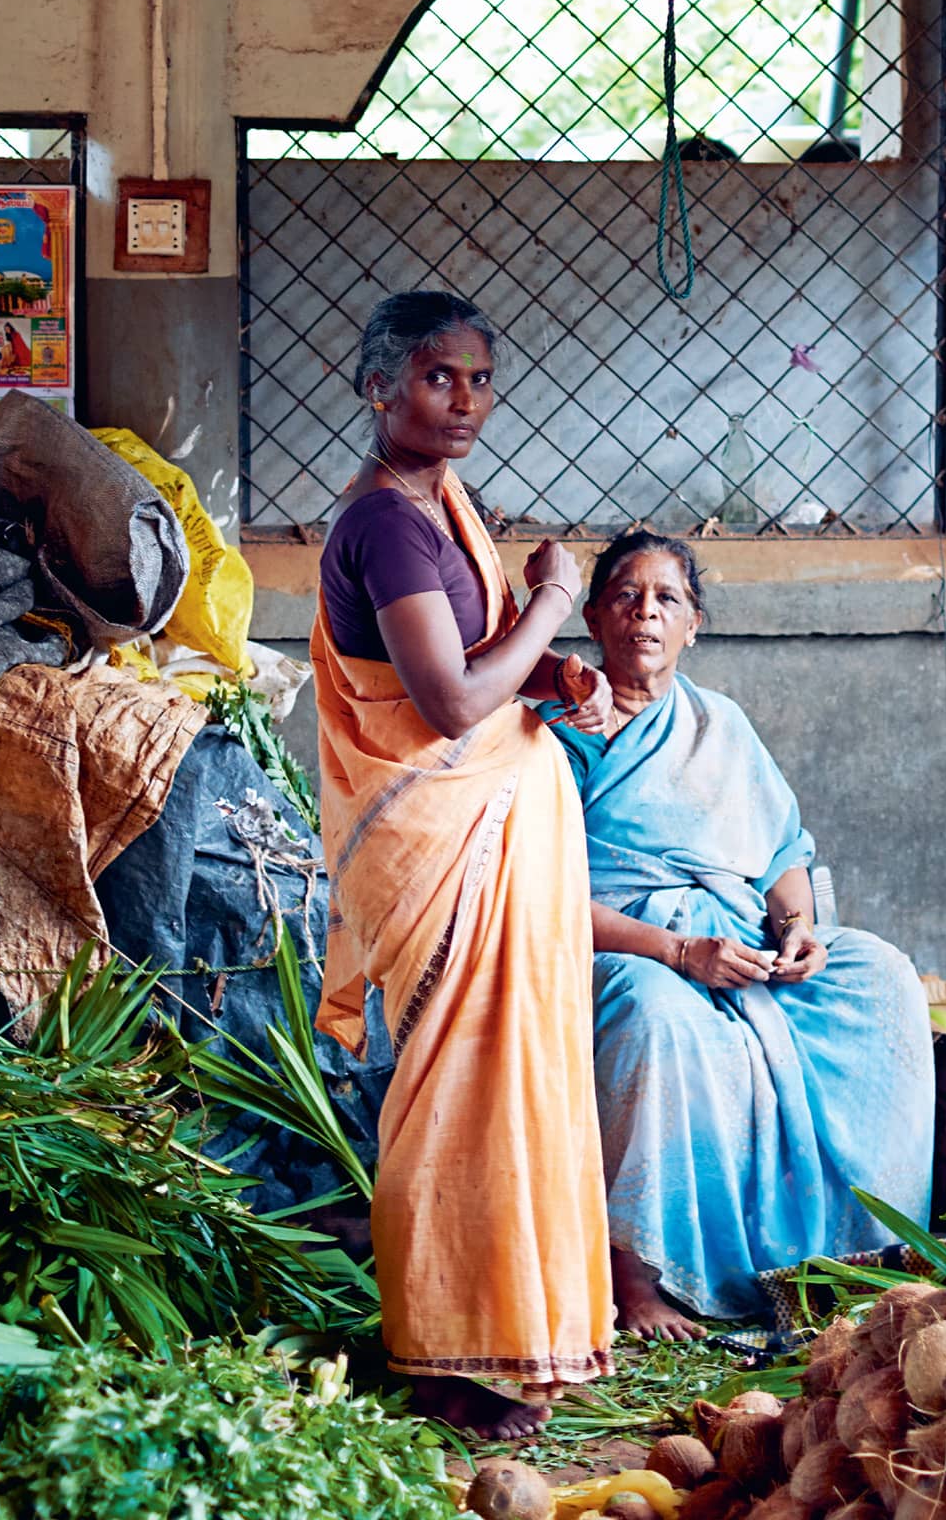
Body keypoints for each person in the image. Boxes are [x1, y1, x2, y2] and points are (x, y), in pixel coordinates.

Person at [311, 290, 615, 1435]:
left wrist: (550, 674)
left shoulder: (441, 504)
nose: (466, 400)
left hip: (498, 829)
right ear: (379, 386)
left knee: (509, 1083)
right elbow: (442, 705)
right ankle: (434, 1349)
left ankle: (508, 1328)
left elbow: (475, 666)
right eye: (441, 378)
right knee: (453, 1091)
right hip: (440, 838)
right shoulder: (387, 522)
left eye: (480, 379)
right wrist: (551, 600)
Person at [542, 531, 935, 1339]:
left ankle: (865, 1249)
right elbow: (539, 891)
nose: (645, 613)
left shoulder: (719, 723)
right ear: (592, 617)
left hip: (739, 940)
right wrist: (680, 953)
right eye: (625, 596)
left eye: (667, 600)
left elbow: (783, 853)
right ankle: (639, 1280)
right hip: (621, 945)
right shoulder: (552, 732)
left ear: (694, 625)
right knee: (659, 1018)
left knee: (879, 976)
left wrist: (797, 931)